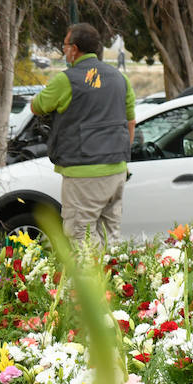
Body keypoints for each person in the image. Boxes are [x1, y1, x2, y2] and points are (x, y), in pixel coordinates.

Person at [31, 22, 136, 243]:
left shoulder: (66, 80)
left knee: (80, 235)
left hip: (83, 171)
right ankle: (112, 276)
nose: (64, 50)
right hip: (117, 167)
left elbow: (37, 106)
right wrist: (122, 156)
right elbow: (130, 122)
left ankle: (92, 278)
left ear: (75, 49)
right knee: (110, 235)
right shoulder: (121, 79)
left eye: (65, 45)